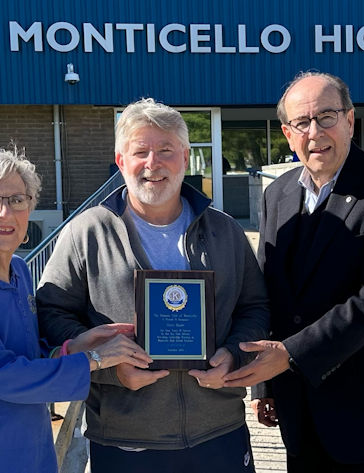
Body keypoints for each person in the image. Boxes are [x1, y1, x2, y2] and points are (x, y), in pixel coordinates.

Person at [36, 98, 270, 473]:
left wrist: (233, 354)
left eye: (165, 150)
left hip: (219, 429)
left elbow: (255, 308)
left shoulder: (225, 230)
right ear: (121, 161)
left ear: (185, 155)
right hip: (125, 435)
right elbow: (52, 313)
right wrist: (112, 367)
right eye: (140, 151)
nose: (153, 163)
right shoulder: (87, 232)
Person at [224, 72, 364, 472]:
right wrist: (265, 382)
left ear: (350, 120)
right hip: (299, 410)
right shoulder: (277, 193)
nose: (314, 132)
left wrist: (290, 356)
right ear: (287, 132)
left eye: (327, 116)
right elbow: (269, 291)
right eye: (302, 122)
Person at [0, 148, 151, 473]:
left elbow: (25, 353)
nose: (6, 213)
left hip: (27, 454)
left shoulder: (18, 271)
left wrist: (73, 347)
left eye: (18, 200)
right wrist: (94, 360)